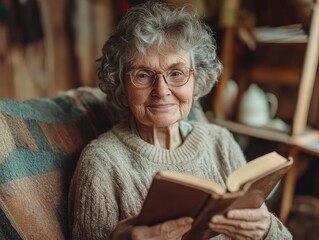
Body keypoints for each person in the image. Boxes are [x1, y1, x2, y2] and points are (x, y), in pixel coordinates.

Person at [68, 1, 292, 239]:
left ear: (197, 82)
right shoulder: (101, 164)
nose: (161, 90)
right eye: (143, 75)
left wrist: (267, 230)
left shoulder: (221, 142)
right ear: (122, 88)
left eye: (176, 73)